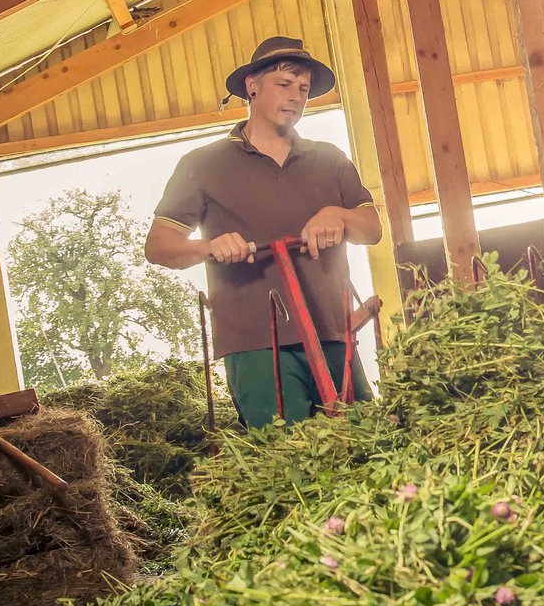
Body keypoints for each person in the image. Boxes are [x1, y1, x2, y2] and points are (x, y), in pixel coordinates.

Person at [145, 36, 383, 427]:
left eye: (304, 89)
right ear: (252, 86)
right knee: (283, 458)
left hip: (332, 330)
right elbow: (159, 246)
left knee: (363, 442)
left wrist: (337, 214)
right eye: (284, 85)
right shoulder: (203, 164)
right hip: (254, 339)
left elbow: (371, 228)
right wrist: (209, 246)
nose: (296, 98)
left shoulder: (330, 159)